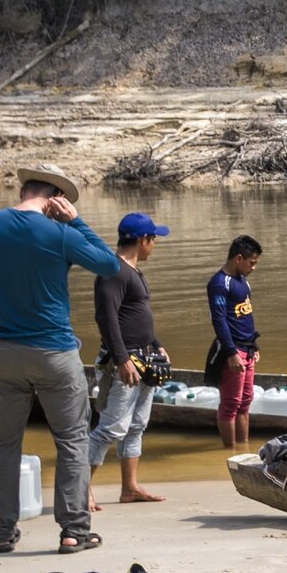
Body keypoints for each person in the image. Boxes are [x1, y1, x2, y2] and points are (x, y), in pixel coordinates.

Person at [0, 164, 119, 554]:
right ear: (56, 199)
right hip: (55, 353)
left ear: (24, 190)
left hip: (2, 353)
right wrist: (77, 223)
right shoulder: (60, 233)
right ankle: (74, 530)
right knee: (72, 440)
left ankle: (1, 534)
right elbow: (109, 266)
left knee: (3, 444)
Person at [90, 212, 170, 504]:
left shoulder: (133, 270)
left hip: (145, 358)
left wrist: (157, 344)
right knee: (110, 427)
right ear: (142, 240)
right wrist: (122, 359)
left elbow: (135, 317)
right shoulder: (113, 271)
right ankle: (79, 490)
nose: (155, 245)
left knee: (136, 425)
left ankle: (130, 488)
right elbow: (107, 319)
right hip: (125, 362)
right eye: (153, 239)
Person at [207, 235, 263, 449]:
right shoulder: (220, 283)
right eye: (252, 263)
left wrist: (253, 345)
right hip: (233, 351)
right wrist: (231, 353)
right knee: (231, 404)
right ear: (238, 258)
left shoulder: (242, 281)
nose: (253, 268)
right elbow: (219, 320)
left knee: (245, 401)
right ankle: (229, 453)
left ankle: (244, 447)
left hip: (247, 349)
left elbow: (246, 316)